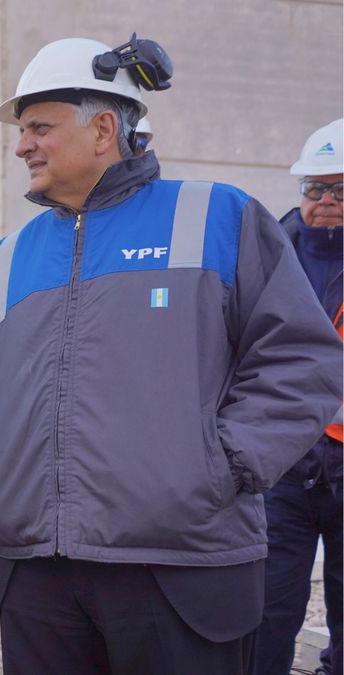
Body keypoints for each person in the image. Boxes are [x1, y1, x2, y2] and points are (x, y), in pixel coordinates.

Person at [0, 35, 343, 674]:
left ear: (103, 128)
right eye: (24, 131)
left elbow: (301, 358)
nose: (22, 145)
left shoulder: (217, 216)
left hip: (180, 568)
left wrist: (222, 465)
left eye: (39, 127)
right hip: (34, 575)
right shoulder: (6, 260)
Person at [255, 118, 343, 675]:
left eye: (341, 189)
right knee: (267, 605)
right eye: (315, 188)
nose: (326, 200)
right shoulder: (269, 255)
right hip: (284, 460)